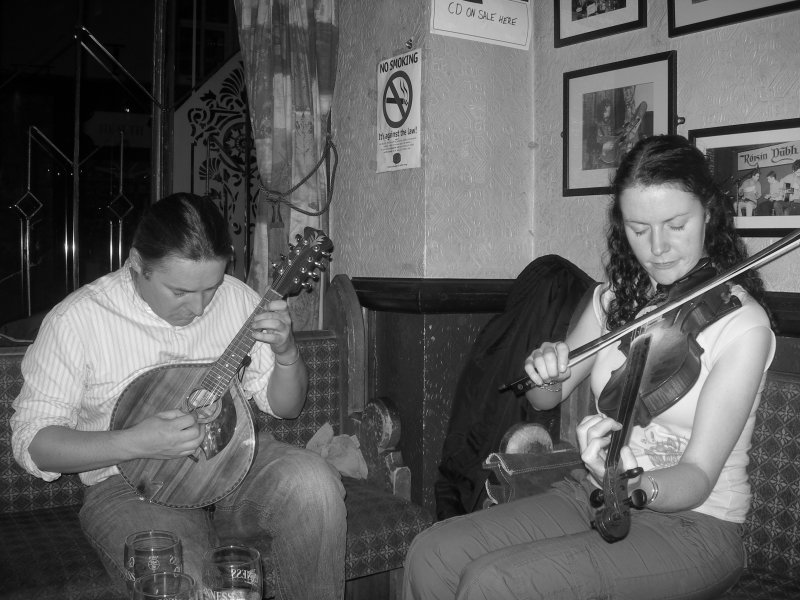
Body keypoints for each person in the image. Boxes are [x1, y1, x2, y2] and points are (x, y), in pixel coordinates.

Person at [402, 135, 775, 600]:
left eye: (676, 224)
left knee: (493, 583)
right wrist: (547, 369)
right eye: (639, 229)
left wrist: (630, 483)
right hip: (592, 494)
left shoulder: (743, 327)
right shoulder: (616, 300)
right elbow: (545, 397)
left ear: (708, 213)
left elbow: (699, 476)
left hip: (694, 526)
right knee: (431, 552)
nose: (657, 248)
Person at [10, 193, 346, 600]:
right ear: (137, 264)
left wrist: (287, 352)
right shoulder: (77, 320)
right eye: (180, 291)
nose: (201, 307)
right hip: (133, 487)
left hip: (237, 465)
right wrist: (135, 441)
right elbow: (34, 445)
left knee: (315, 482)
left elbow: (286, 409)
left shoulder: (239, 300)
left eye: (211, 287)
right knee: (191, 585)